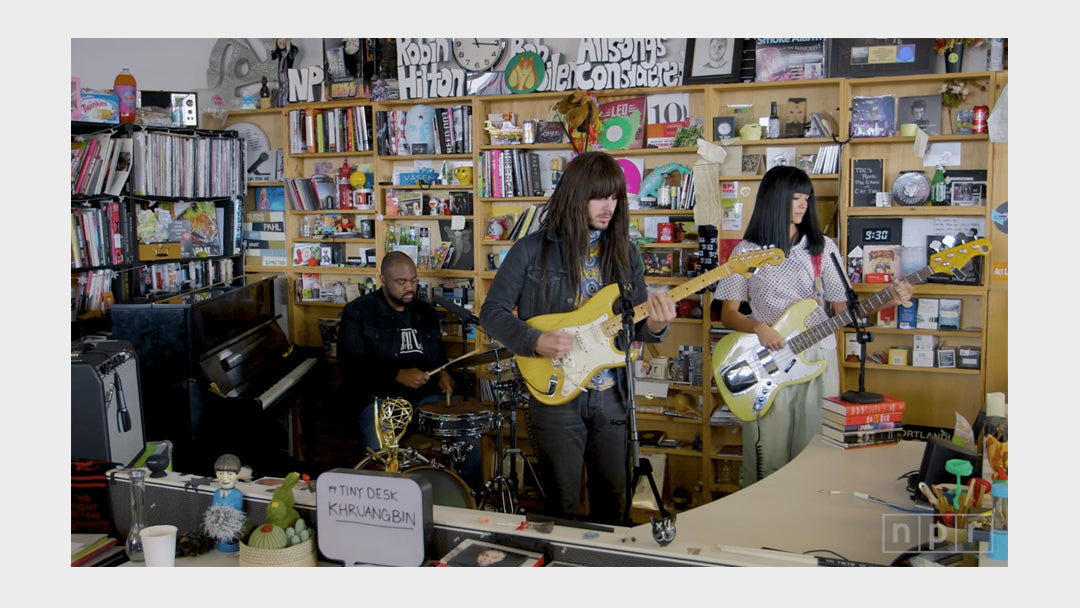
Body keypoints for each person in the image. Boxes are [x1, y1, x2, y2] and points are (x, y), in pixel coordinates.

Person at [480, 151, 677, 525]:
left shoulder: (624, 255)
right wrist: (534, 340)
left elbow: (632, 324)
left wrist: (654, 326)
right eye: (600, 196)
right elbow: (492, 313)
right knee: (563, 503)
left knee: (615, 502)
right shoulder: (529, 250)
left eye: (616, 197)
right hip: (556, 395)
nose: (610, 206)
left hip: (612, 395)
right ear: (575, 195)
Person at [712, 166, 911, 486]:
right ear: (774, 199)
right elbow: (728, 314)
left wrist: (887, 299)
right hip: (770, 362)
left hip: (819, 359)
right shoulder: (746, 252)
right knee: (767, 457)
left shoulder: (823, 249)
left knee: (815, 452)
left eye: (807, 198)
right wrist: (759, 327)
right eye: (795, 197)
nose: (803, 205)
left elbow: (846, 311)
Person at [337, 251, 480, 489]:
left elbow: (437, 359)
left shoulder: (425, 312)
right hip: (378, 400)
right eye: (401, 282)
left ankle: (467, 500)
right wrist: (396, 375)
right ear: (383, 279)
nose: (410, 287)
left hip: (423, 398)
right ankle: (383, 508)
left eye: (414, 280)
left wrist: (443, 374)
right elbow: (352, 367)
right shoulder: (358, 313)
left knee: (468, 437)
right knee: (379, 455)